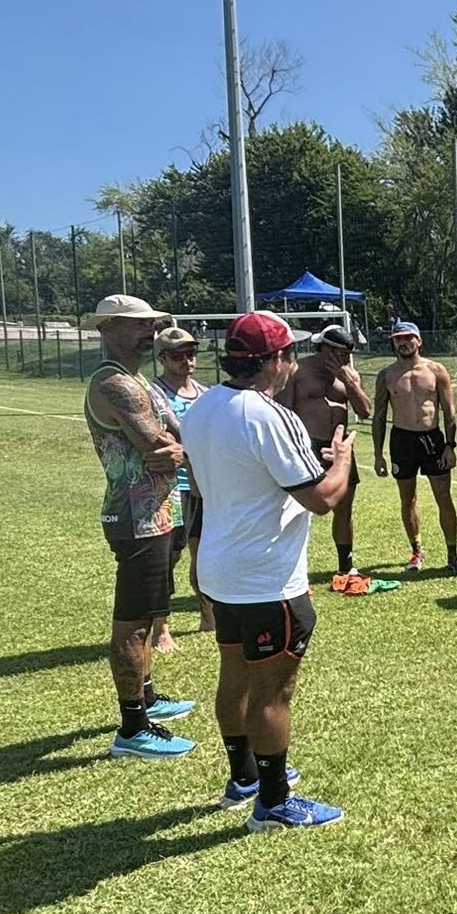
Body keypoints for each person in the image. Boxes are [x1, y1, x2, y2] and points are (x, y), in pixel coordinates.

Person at [182, 311, 355, 830]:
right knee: (273, 691)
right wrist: (342, 458)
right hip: (267, 579)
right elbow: (323, 498)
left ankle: (244, 777)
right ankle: (274, 803)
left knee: (235, 675)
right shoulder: (267, 415)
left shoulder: (202, 405)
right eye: (290, 353)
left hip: (220, 569)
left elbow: (218, 476)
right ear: (275, 360)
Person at [80, 295, 199, 761]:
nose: (147, 332)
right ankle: (132, 728)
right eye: (136, 325)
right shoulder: (115, 384)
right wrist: (168, 447)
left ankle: (148, 697)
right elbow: (156, 442)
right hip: (136, 516)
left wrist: (171, 448)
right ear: (107, 328)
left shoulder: (139, 382)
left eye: (151, 324)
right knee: (132, 623)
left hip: (158, 511)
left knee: (151, 615)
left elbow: (177, 440)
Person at [371, 319, 457, 573]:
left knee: (444, 497)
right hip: (402, 441)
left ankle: (452, 554)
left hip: (432, 440)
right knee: (408, 499)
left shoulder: (436, 370)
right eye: (398, 339)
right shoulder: (386, 375)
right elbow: (379, 415)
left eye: (407, 338)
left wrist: (450, 445)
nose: (403, 342)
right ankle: (416, 552)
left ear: (418, 340)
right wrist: (378, 454)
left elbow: (449, 412)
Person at [280, 322, 373, 577]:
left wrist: (350, 383)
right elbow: (283, 411)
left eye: (345, 354)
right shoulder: (298, 371)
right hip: (307, 446)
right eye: (335, 352)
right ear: (321, 348)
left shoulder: (348, 375)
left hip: (339, 449)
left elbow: (365, 411)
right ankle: (293, 569)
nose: (341, 358)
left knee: (344, 508)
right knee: (297, 511)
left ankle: (346, 565)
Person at [148, 326, 214, 651]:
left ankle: (209, 617)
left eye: (191, 353)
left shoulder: (204, 392)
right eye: (178, 355)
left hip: (206, 486)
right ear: (162, 359)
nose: (187, 360)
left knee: (205, 556)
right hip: (173, 488)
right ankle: (161, 629)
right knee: (168, 558)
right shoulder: (153, 393)